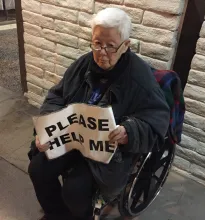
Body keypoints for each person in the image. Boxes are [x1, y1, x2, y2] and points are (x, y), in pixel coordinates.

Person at [28, 8, 170, 220]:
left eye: (110, 46)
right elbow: (56, 95)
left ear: (125, 46)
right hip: (71, 139)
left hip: (107, 153)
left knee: (74, 190)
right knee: (38, 169)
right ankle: (56, 214)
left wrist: (128, 131)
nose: (101, 52)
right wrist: (46, 129)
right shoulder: (83, 64)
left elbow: (156, 119)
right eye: (96, 44)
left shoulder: (140, 78)